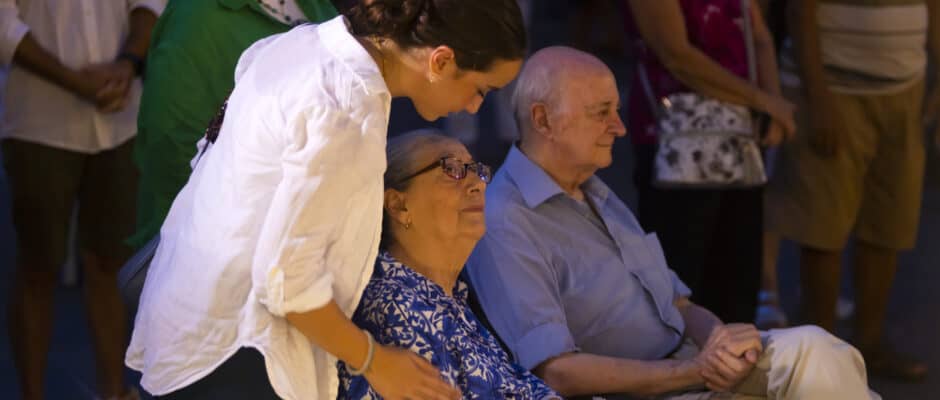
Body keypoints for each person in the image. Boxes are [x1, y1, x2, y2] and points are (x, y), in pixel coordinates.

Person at [125, 1, 526, 399]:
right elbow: (288, 282)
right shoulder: (346, 110)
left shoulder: (303, 44)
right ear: (441, 61)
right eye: (481, 90)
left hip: (189, 326)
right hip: (236, 356)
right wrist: (376, 361)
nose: (475, 106)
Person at [466, 46, 879, 399]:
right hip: (654, 388)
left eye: (616, 111)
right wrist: (697, 370)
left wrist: (720, 343)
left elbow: (678, 304)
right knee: (818, 360)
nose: (619, 127)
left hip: (690, 365)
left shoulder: (589, 187)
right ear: (543, 120)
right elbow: (556, 372)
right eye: (601, 113)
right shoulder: (506, 220)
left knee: (823, 353)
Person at [764, 0, 938, 381]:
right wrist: (818, 99)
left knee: (889, 223)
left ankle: (869, 346)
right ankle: (819, 358)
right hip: (832, 88)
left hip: (905, 86)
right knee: (823, 225)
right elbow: (800, 10)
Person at [0, 1, 162, 399]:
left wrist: (126, 65)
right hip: (40, 122)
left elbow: (149, 3)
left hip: (121, 119)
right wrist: (74, 81)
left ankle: (114, 391)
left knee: (111, 262)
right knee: (38, 267)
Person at [337, 131, 558, 399]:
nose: (478, 184)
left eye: (477, 171)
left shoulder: (450, 300)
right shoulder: (393, 308)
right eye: (452, 169)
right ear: (398, 205)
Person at [623, 0, 796, 323]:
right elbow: (676, 55)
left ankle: (732, 354)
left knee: (738, 279)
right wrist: (764, 101)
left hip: (740, 134)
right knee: (680, 280)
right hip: (674, 138)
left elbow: (759, 36)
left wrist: (773, 105)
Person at [129, 0, 338, 249]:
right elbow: (173, 150)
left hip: (311, 227)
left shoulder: (320, 6)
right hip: (219, 243)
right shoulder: (197, 18)